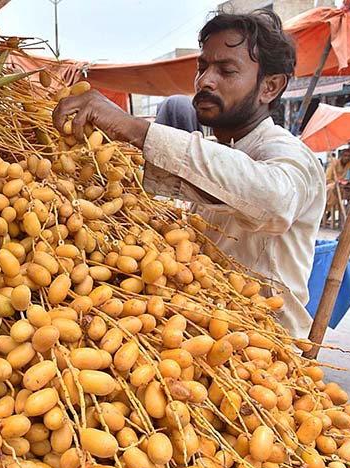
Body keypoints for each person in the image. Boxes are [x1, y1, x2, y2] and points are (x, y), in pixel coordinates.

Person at [53, 9, 325, 339]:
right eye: (202, 67)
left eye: (226, 70)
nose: (205, 81)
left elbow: (274, 201)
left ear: (270, 86)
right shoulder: (221, 151)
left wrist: (138, 130)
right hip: (205, 330)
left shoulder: (290, 154)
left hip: (266, 346)